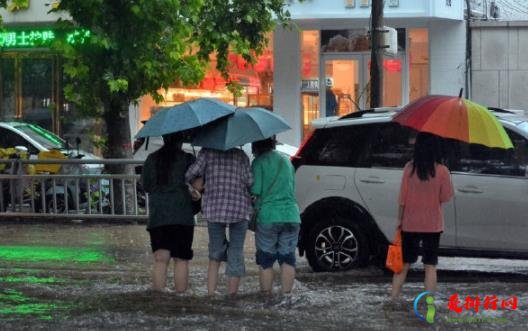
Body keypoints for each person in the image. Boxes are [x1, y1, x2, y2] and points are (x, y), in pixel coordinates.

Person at [390, 132, 454, 301]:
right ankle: (429, 303)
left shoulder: (409, 169)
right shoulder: (442, 171)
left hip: (410, 223)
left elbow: (402, 199)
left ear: (417, 147)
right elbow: (445, 197)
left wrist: (399, 221)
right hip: (433, 225)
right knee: (430, 265)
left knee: (403, 264)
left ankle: (393, 299)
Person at [185, 147, 253, 297]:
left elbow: (189, 174)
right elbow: (250, 182)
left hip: (214, 210)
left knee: (215, 253)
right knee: (236, 251)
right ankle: (232, 295)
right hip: (239, 209)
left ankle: (211, 293)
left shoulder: (206, 153)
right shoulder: (240, 155)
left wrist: (196, 187)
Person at [141, 132, 197, 292]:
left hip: (158, 215)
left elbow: (145, 185)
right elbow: (198, 183)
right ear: (181, 140)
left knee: (160, 259)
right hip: (182, 214)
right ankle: (180, 298)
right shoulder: (187, 159)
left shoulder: (152, 159)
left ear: (164, 139)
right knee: (181, 259)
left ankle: (159, 298)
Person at [250, 137, 300, 296]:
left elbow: (255, 190)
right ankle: (287, 296)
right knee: (288, 258)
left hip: (269, 216)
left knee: (266, 260)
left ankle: (266, 297)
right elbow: (292, 187)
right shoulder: (287, 161)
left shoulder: (258, 162)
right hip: (292, 215)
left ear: (255, 146)